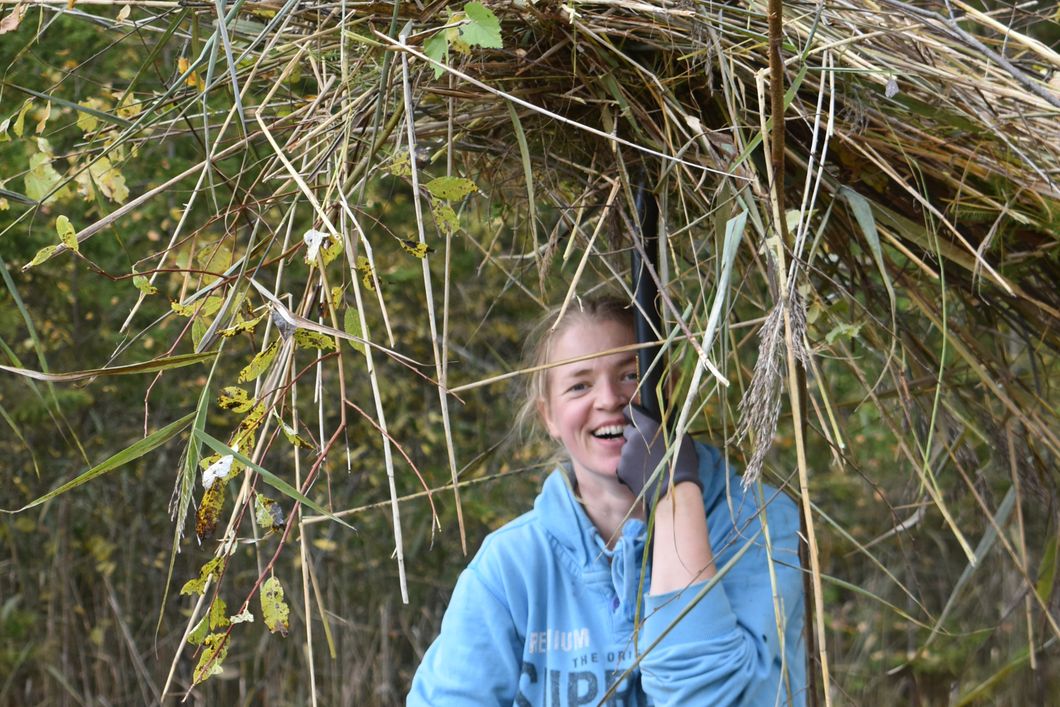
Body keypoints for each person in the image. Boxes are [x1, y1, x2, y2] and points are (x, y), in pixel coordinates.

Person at [408, 296, 806, 706]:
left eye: (631, 375)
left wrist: (675, 493)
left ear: (666, 389)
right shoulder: (511, 567)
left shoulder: (754, 521)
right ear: (548, 416)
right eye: (580, 385)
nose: (609, 399)